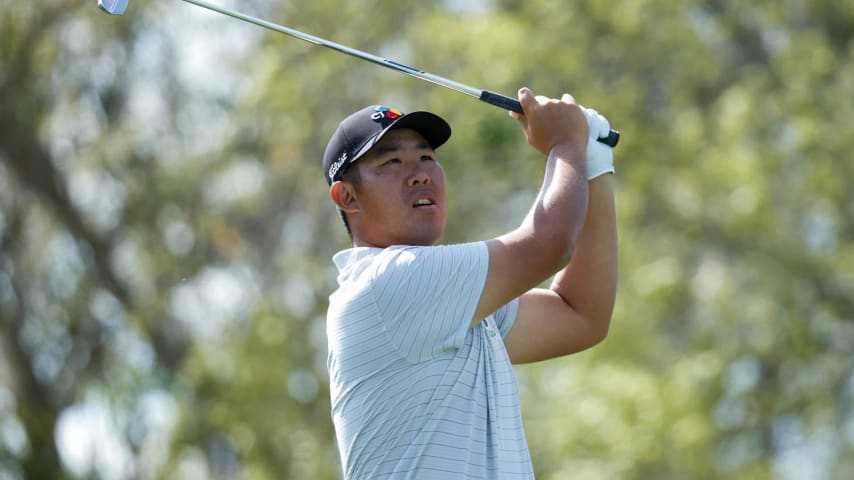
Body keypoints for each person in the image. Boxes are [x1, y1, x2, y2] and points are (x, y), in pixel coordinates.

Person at [322, 88, 618, 479]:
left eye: (427, 157)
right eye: (392, 161)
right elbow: (550, 244)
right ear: (347, 197)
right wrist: (566, 143)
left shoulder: (454, 302)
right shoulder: (387, 283)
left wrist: (593, 163)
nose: (421, 174)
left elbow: (581, 315)